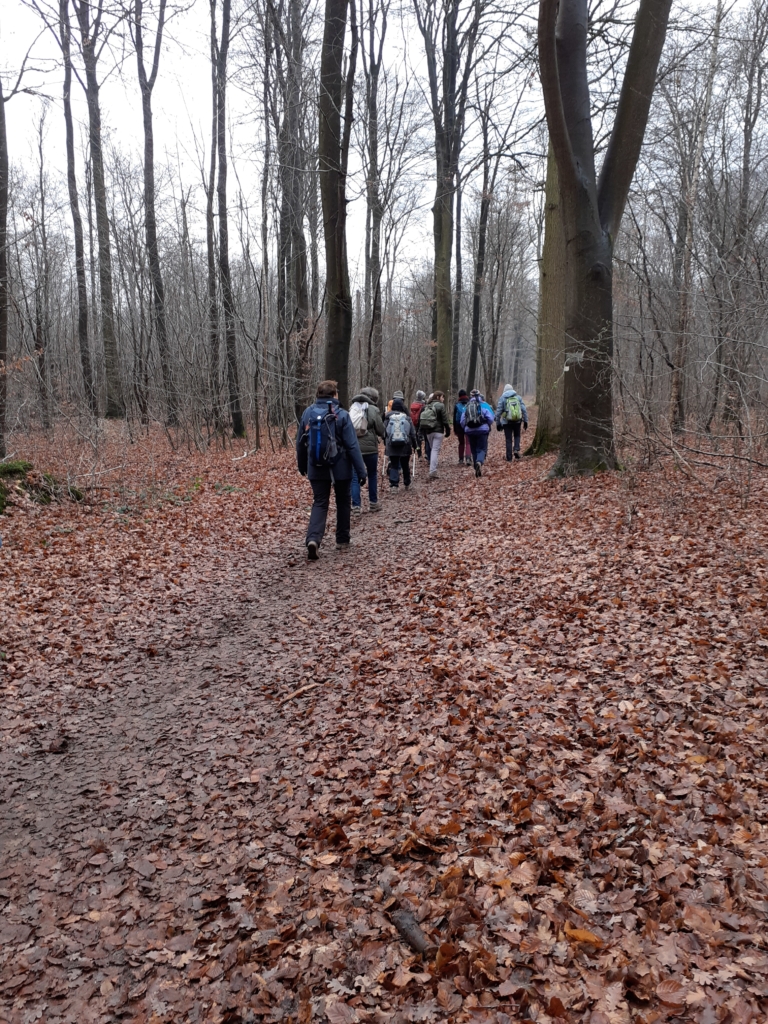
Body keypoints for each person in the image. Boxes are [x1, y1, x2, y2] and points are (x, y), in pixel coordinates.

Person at [297, 380, 367, 560]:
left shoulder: (308, 413)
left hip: (316, 466)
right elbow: (352, 445)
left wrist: (302, 465)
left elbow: (301, 442)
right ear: (335, 395)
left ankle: (313, 539)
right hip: (340, 467)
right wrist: (361, 471)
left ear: (318, 394)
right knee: (343, 501)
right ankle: (342, 540)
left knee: (320, 502)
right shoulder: (341, 415)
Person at [350, 386, 385, 513]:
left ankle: (356, 506)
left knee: (354, 476)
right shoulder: (373, 409)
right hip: (370, 449)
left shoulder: (353, 408)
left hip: (355, 448)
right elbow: (380, 429)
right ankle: (373, 503)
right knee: (372, 474)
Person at [384, 395, 417, 490]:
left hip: (392, 445)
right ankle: (407, 483)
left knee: (394, 464)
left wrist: (386, 442)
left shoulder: (388, 418)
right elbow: (412, 433)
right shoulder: (407, 418)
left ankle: (394, 485)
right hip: (405, 445)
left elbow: (383, 432)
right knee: (405, 464)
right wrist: (415, 445)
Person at [460, 388, 495, 477]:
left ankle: (476, 468)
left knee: (474, 449)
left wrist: (466, 428)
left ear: (471, 396)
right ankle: (479, 462)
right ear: (479, 395)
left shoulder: (467, 406)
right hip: (482, 430)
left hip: (470, 431)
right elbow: (491, 418)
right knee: (482, 449)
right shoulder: (484, 405)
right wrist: (487, 424)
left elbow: (462, 421)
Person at [418, 391, 451, 479]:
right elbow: (445, 420)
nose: (443, 399)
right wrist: (448, 430)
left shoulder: (427, 406)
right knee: (435, 450)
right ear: (438, 397)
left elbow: (421, 420)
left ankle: (433, 468)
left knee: (433, 449)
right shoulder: (441, 406)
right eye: (442, 397)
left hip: (428, 432)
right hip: (438, 431)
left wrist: (420, 432)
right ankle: (432, 470)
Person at [495, 383, 528, 461]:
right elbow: (524, 410)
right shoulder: (518, 397)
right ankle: (516, 449)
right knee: (517, 436)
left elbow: (498, 412)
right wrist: (526, 421)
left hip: (506, 422)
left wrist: (498, 423)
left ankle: (509, 458)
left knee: (508, 439)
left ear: (504, 390)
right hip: (517, 421)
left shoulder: (502, 398)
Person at [410, 389, 430, 462]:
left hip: (415, 424)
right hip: (423, 423)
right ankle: (426, 453)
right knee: (426, 438)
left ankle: (419, 455)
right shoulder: (424, 405)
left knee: (418, 440)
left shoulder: (413, 404)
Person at [454, 388, 470, 465]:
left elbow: (454, 418)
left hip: (459, 426)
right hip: (468, 424)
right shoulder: (469, 404)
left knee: (461, 443)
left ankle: (461, 459)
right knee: (468, 442)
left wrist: (455, 429)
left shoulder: (457, 405)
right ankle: (468, 458)